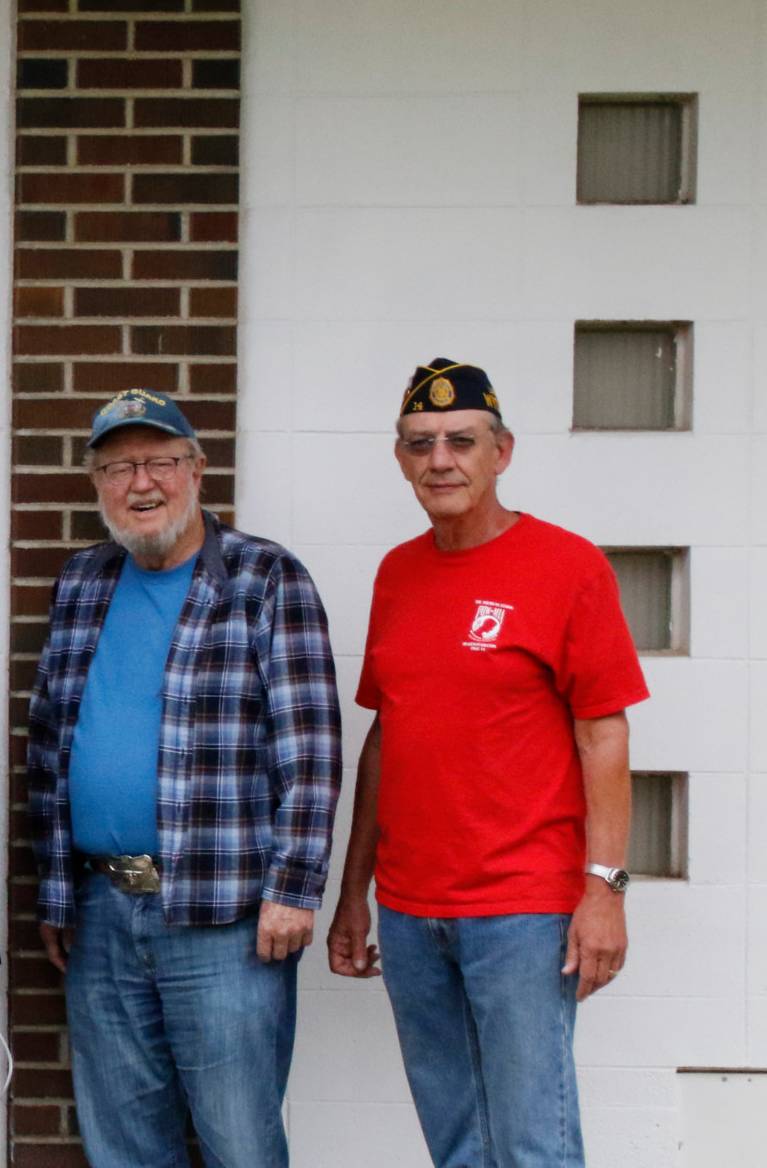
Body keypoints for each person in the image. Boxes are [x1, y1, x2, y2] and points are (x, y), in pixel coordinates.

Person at [326, 360, 645, 1168]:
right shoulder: (398, 573)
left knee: (535, 1142)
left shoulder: (567, 567)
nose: (441, 460)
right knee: (458, 1143)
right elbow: (386, 736)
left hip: (522, 911)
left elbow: (603, 734)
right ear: (400, 459)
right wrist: (353, 891)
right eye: (420, 444)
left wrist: (603, 889)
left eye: (461, 441)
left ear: (501, 452)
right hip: (408, 910)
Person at [24, 389, 342, 1168]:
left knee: (239, 1142)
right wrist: (59, 893)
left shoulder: (265, 578)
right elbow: (50, 742)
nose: (141, 483)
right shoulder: (82, 583)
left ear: (197, 470)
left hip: (225, 913)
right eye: (118, 466)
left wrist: (294, 888)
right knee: (124, 1146)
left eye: (160, 461)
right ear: (96, 482)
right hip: (101, 911)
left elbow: (312, 747)